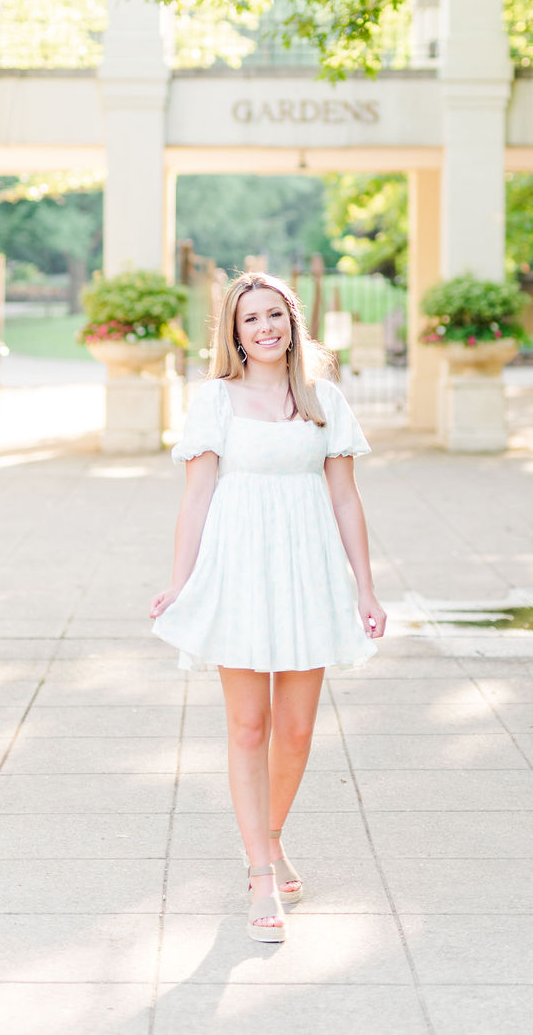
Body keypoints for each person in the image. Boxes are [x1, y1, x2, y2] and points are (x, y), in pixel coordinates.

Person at [149, 271, 386, 943]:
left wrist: (365, 588)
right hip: (240, 573)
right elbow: (196, 498)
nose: (265, 328)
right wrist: (180, 582)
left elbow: (345, 498)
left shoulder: (323, 400)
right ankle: (259, 871)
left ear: (293, 322)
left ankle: (272, 835)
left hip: (307, 572)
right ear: (235, 333)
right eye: (251, 319)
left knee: (299, 730)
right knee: (249, 727)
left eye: (275, 315)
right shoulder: (215, 401)